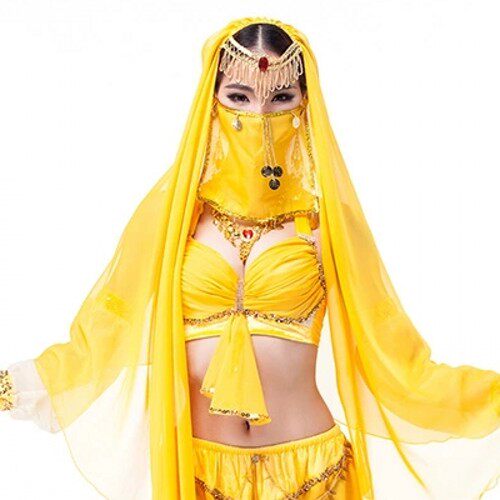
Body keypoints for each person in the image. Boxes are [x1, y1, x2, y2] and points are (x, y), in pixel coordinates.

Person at [1, 16, 499, 500]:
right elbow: (104, 330)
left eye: (281, 97)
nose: (260, 115)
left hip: (312, 475)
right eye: (239, 96)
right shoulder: (173, 218)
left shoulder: (326, 222)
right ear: (213, 101)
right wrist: (13, 386)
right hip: (200, 473)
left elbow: (395, 351)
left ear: (304, 103)